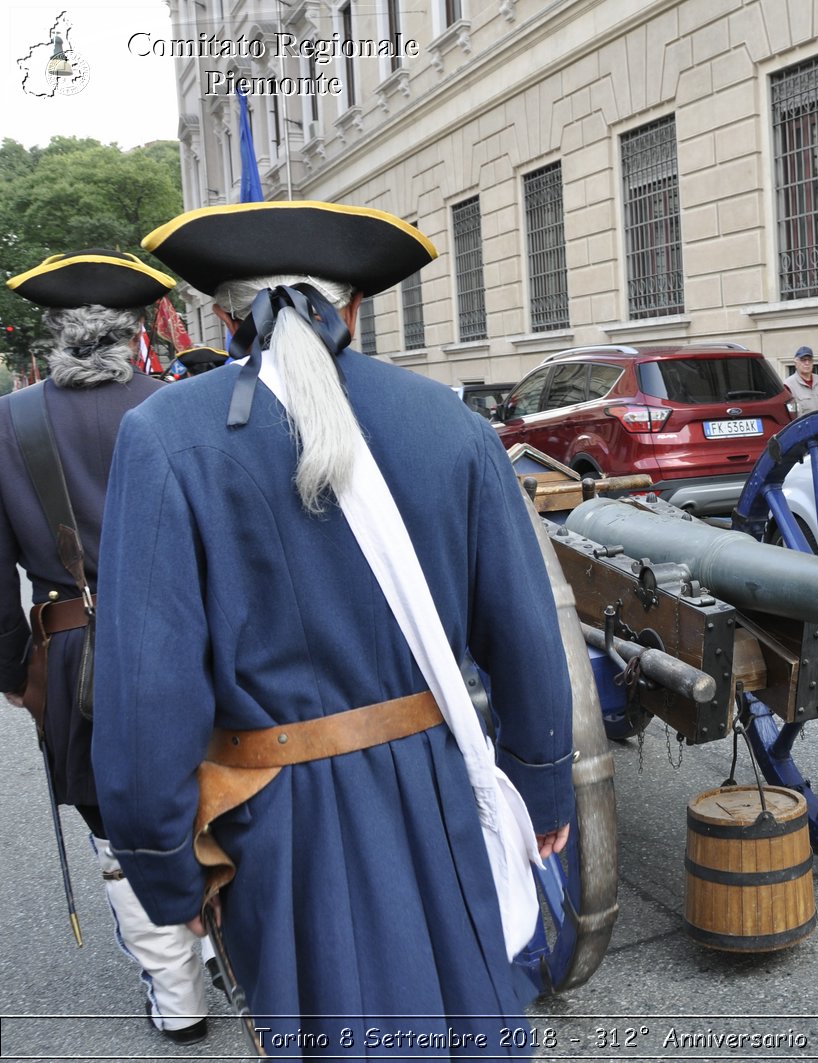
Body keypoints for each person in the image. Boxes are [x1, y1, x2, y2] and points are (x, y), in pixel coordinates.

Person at [91, 201, 575, 1056]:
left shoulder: (162, 437)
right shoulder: (451, 424)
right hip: (439, 785)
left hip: (278, 823)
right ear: (352, 306)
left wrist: (168, 864)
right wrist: (540, 788)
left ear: (225, 315)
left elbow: (146, 690)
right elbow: (526, 633)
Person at [0, 248, 210, 1044]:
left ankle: (178, 992)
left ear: (54, 330)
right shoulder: (180, 405)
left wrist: (14, 669)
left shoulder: (7, 422)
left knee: (110, 821)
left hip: (70, 652)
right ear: (134, 328)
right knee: (207, 793)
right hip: (187, 641)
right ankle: (224, 947)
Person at [783, 345, 818, 416]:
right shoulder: (788, 384)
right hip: (804, 426)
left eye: (809, 360)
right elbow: (791, 414)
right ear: (796, 363)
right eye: (803, 360)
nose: (807, 363)